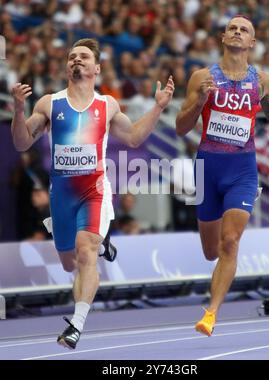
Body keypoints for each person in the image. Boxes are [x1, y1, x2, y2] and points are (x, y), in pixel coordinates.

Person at [11, 38, 174, 349]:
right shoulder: (49, 103)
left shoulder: (108, 105)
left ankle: (77, 324)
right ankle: (101, 243)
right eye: (72, 57)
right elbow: (21, 143)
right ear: (66, 66)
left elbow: (135, 138)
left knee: (85, 250)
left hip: (94, 189)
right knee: (68, 263)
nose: (76, 60)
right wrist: (19, 109)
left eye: (83, 57)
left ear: (97, 68)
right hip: (61, 192)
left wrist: (158, 107)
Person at [176, 15, 269, 336]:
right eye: (233, 29)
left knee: (230, 242)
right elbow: (181, 127)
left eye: (245, 30)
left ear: (252, 42)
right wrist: (199, 100)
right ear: (223, 37)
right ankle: (212, 299)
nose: (238, 33)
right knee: (210, 251)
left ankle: (211, 313)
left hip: (242, 169)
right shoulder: (202, 77)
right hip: (207, 168)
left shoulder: (263, 81)